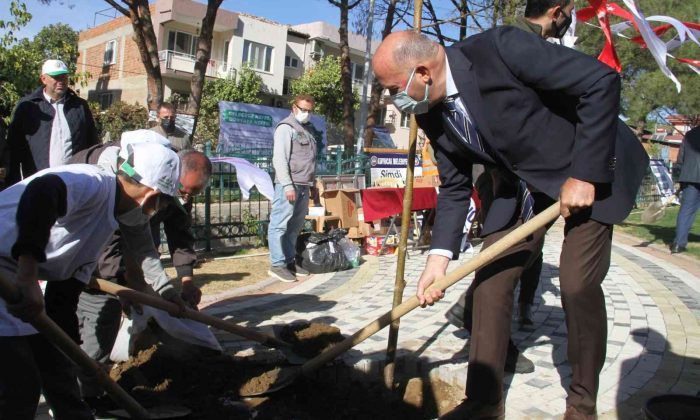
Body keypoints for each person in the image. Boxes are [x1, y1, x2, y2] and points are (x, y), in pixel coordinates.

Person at [371, 0, 648, 418]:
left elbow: (600, 81)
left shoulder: (500, 49)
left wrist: (584, 174)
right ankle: (484, 401)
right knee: (490, 282)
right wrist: (438, 259)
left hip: (590, 165)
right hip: (524, 185)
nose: (392, 100)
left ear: (422, 73)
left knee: (576, 285)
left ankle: (582, 404)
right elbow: (455, 185)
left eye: (393, 89)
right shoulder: (429, 111)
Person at [0, 141, 181, 420]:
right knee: (19, 386)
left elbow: (63, 296)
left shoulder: (104, 222)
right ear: (152, 197)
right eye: (164, 204)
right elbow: (41, 192)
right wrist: (27, 275)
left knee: (59, 375)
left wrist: (77, 358)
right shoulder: (92, 184)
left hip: (17, 276)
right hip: (7, 275)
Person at [67, 131, 210, 409]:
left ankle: (84, 395)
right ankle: (87, 398)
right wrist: (120, 285)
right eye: (167, 198)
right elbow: (109, 245)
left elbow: (143, 246)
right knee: (91, 319)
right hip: (48, 267)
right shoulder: (96, 183)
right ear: (153, 190)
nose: (181, 199)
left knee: (85, 330)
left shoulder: (138, 187)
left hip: (72, 267)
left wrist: (167, 290)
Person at [5, 59, 98, 186]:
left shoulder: (79, 106)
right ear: (43, 79)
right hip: (37, 182)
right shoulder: (28, 107)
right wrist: (13, 184)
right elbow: (14, 147)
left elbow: (92, 142)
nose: (61, 81)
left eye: (64, 77)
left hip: (74, 181)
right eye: (56, 77)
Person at [267, 94, 318, 283]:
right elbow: (279, 159)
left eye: (309, 111)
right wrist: (287, 184)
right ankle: (277, 264)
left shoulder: (307, 130)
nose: (306, 113)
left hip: (304, 184)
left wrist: (313, 184)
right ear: (294, 107)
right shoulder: (285, 128)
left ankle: (289, 261)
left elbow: (310, 160)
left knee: (294, 226)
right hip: (289, 184)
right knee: (279, 224)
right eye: (303, 109)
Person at [670, 126, 700, 254]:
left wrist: (678, 178)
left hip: (689, 177)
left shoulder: (690, 134)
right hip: (690, 177)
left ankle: (678, 244)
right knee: (686, 211)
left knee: (686, 211)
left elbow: (680, 158)